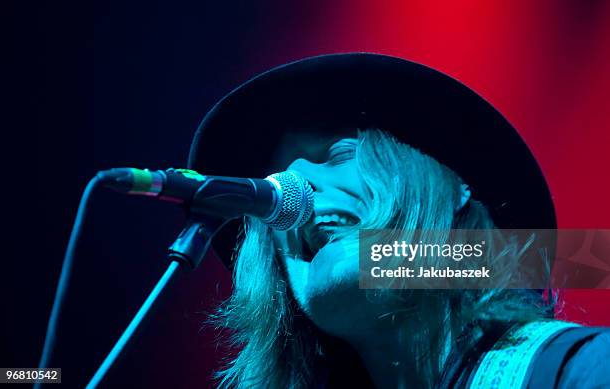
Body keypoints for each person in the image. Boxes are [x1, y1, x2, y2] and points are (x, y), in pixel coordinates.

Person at [188, 54, 610, 388]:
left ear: (454, 185)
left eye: (340, 154)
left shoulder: (587, 371)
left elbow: (592, 258)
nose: (296, 189)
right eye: (278, 181)